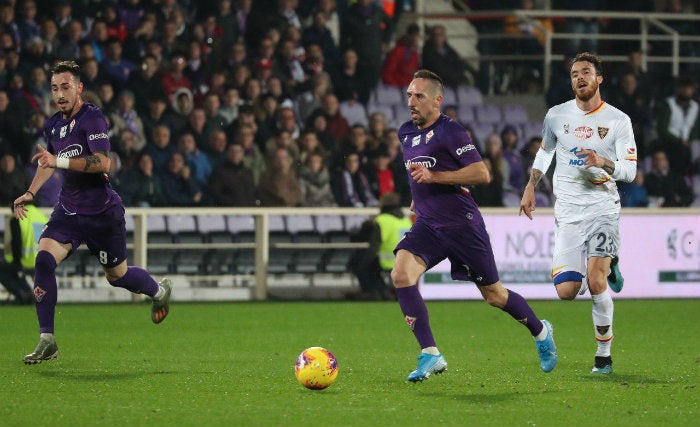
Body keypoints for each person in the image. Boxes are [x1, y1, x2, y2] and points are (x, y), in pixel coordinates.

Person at [393, 69, 557, 382]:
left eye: (419, 96)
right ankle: (431, 354)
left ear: (437, 101)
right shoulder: (405, 132)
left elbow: (482, 174)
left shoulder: (451, 131)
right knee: (401, 274)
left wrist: (435, 178)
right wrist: (419, 195)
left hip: (461, 224)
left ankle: (540, 330)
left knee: (494, 295)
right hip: (429, 224)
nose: (411, 101)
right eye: (409, 96)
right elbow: (419, 171)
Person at [12, 61, 172, 365]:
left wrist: (58, 161)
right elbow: (48, 161)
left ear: (79, 88)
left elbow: (102, 163)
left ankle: (158, 290)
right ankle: (48, 339)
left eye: (66, 87)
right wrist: (30, 193)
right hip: (69, 211)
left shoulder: (93, 119)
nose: (60, 94)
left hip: (102, 214)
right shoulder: (53, 125)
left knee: (117, 277)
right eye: (55, 88)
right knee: (43, 260)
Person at [519, 53, 637, 375]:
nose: (579, 78)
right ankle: (607, 261)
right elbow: (546, 150)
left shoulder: (618, 121)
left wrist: (602, 162)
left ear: (599, 78)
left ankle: (603, 356)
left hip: (602, 207)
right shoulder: (557, 116)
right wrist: (531, 186)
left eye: (586, 72)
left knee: (596, 281)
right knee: (566, 292)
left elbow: (629, 171)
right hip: (568, 212)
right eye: (574, 74)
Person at [350, 192, 408, 300]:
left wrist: (363, 263)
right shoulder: (406, 220)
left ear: (382, 204)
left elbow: (373, 248)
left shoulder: (382, 220)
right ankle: (388, 291)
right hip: (406, 261)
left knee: (361, 263)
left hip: (388, 260)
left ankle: (374, 292)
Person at [1, 202, 46, 304]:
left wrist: (17, 263)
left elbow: (16, 243)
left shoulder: (17, 217)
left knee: (4, 269)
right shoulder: (41, 216)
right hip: (42, 262)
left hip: (25, 262)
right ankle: (33, 293)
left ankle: (23, 293)